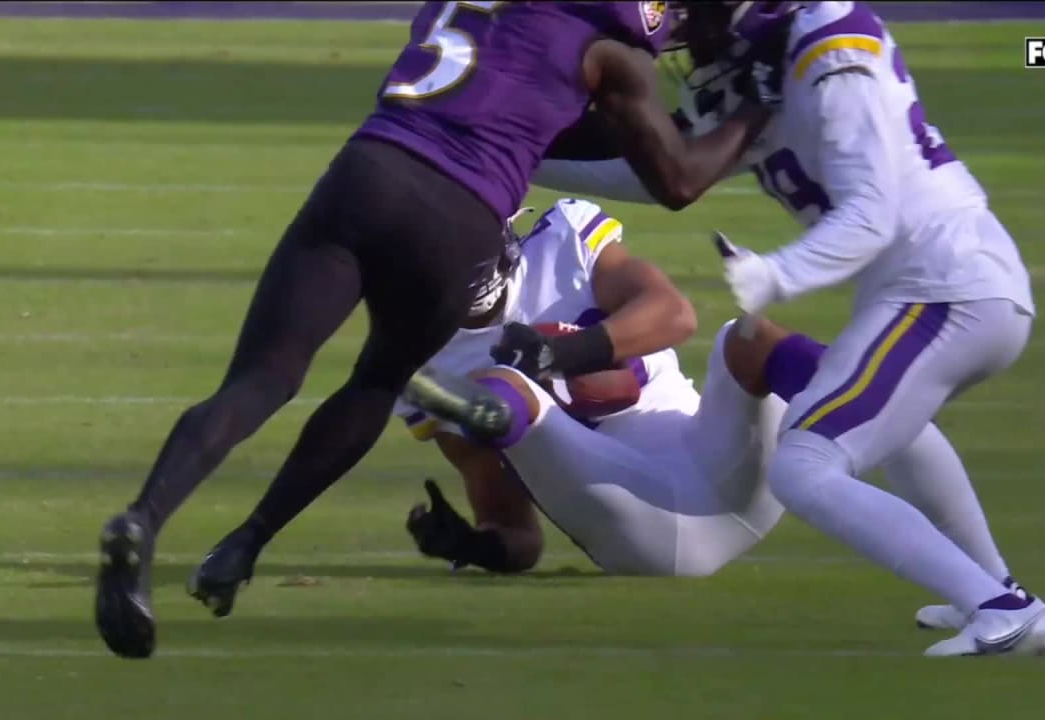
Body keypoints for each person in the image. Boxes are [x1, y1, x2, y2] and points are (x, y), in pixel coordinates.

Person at [94, 2, 773, 659]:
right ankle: (247, 539)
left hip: (367, 167)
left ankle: (144, 517)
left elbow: (545, 116)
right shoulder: (610, 48)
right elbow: (678, 180)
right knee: (376, 383)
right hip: (458, 216)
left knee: (259, 378)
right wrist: (761, 113)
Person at [475, 1, 1045, 657]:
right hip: (931, 290)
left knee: (807, 467)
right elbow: (661, 169)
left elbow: (874, 211)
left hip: (948, 287)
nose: (684, 23)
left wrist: (776, 274)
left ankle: (1000, 609)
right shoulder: (770, 61)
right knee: (881, 429)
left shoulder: (830, 46)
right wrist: (508, 152)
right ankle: (1001, 591)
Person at [398, 198, 789, 577]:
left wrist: (557, 354)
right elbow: (517, 535)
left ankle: (847, 404)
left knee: (749, 336)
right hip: (652, 528)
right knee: (504, 382)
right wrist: (473, 546)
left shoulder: (565, 240)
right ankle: (497, 405)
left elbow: (675, 315)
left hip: (721, 457)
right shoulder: (436, 359)